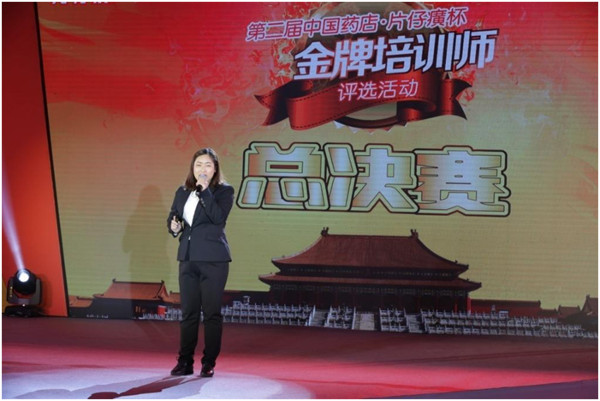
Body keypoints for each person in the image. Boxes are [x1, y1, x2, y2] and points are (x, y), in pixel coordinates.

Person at [167, 148, 234, 377]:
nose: (202, 169)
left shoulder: (224, 191)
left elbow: (218, 218)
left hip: (213, 260)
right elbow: (174, 216)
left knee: (211, 313)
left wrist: (205, 191)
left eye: (207, 165)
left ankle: (208, 362)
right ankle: (185, 361)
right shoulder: (182, 191)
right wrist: (173, 226)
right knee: (189, 313)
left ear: (215, 169)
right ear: (192, 168)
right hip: (187, 259)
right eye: (198, 165)